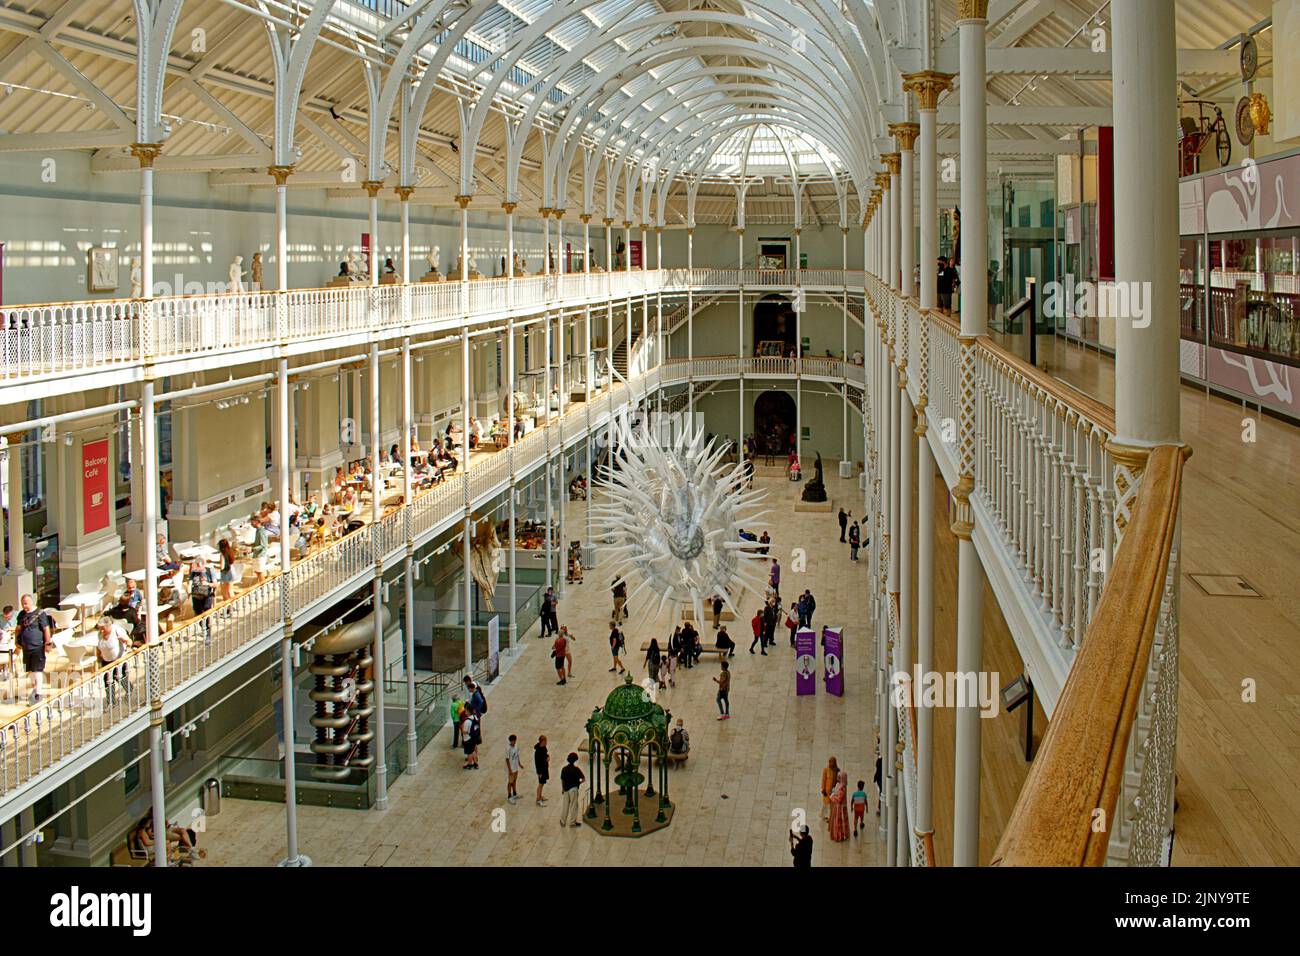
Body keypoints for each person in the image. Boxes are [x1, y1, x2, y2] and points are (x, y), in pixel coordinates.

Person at [16, 594, 53, 704]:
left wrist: (48, 643)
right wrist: (17, 643)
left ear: (31, 602)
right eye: (22, 603)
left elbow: (46, 629)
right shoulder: (21, 614)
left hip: (37, 647)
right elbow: (18, 629)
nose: (24, 605)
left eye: (26, 603)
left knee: (37, 670)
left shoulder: (40, 613)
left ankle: (38, 693)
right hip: (25, 648)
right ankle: (34, 688)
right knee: (29, 670)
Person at [95, 616, 132, 705]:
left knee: (119, 678)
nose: (101, 631)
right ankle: (111, 702)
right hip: (106, 661)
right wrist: (98, 661)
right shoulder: (100, 634)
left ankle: (129, 688)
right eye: (100, 629)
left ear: (109, 626)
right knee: (108, 682)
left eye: (103, 629)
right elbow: (98, 648)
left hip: (118, 661)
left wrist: (127, 646)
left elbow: (129, 641)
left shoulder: (117, 630)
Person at [559, 752, 585, 827]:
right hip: (573, 789)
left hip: (566, 789)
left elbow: (562, 780)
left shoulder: (564, 769)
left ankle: (563, 821)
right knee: (574, 806)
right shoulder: (576, 769)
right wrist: (578, 783)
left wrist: (563, 789)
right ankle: (572, 822)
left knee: (565, 805)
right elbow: (583, 779)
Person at [829, 768, 850, 841]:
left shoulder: (842, 788)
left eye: (839, 777)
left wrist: (832, 797)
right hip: (836, 807)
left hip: (840, 809)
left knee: (840, 822)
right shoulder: (839, 784)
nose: (837, 778)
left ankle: (840, 835)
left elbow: (839, 799)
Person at [820, 756, 839, 821]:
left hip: (833, 790)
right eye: (830, 762)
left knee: (831, 804)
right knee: (826, 804)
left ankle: (830, 817)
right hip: (827, 790)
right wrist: (823, 789)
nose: (831, 764)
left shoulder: (837, 770)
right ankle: (824, 815)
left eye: (832, 762)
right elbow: (823, 780)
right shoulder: (826, 770)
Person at [505, 734, 522, 804]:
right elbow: (507, 759)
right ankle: (509, 795)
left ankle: (514, 793)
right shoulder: (508, 749)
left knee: (514, 780)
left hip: (515, 767)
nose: (514, 742)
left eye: (515, 741)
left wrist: (519, 764)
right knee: (510, 782)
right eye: (513, 741)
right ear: (510, 741)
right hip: (511, 768)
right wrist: (509, 770)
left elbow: (517, 756)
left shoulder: (516, 747)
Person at [534, 735, 550, 806]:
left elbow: (546, 754)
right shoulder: (538, 752)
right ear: (542, 741)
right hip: (541, 770)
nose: (546, 742)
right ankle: (538, 799)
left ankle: (540, 796)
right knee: (540, 784)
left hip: (545, 768)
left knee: (543, 783)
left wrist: (548, 757)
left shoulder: (544, 748)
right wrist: (539, 772)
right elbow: (537, 763)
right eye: (545, 741)